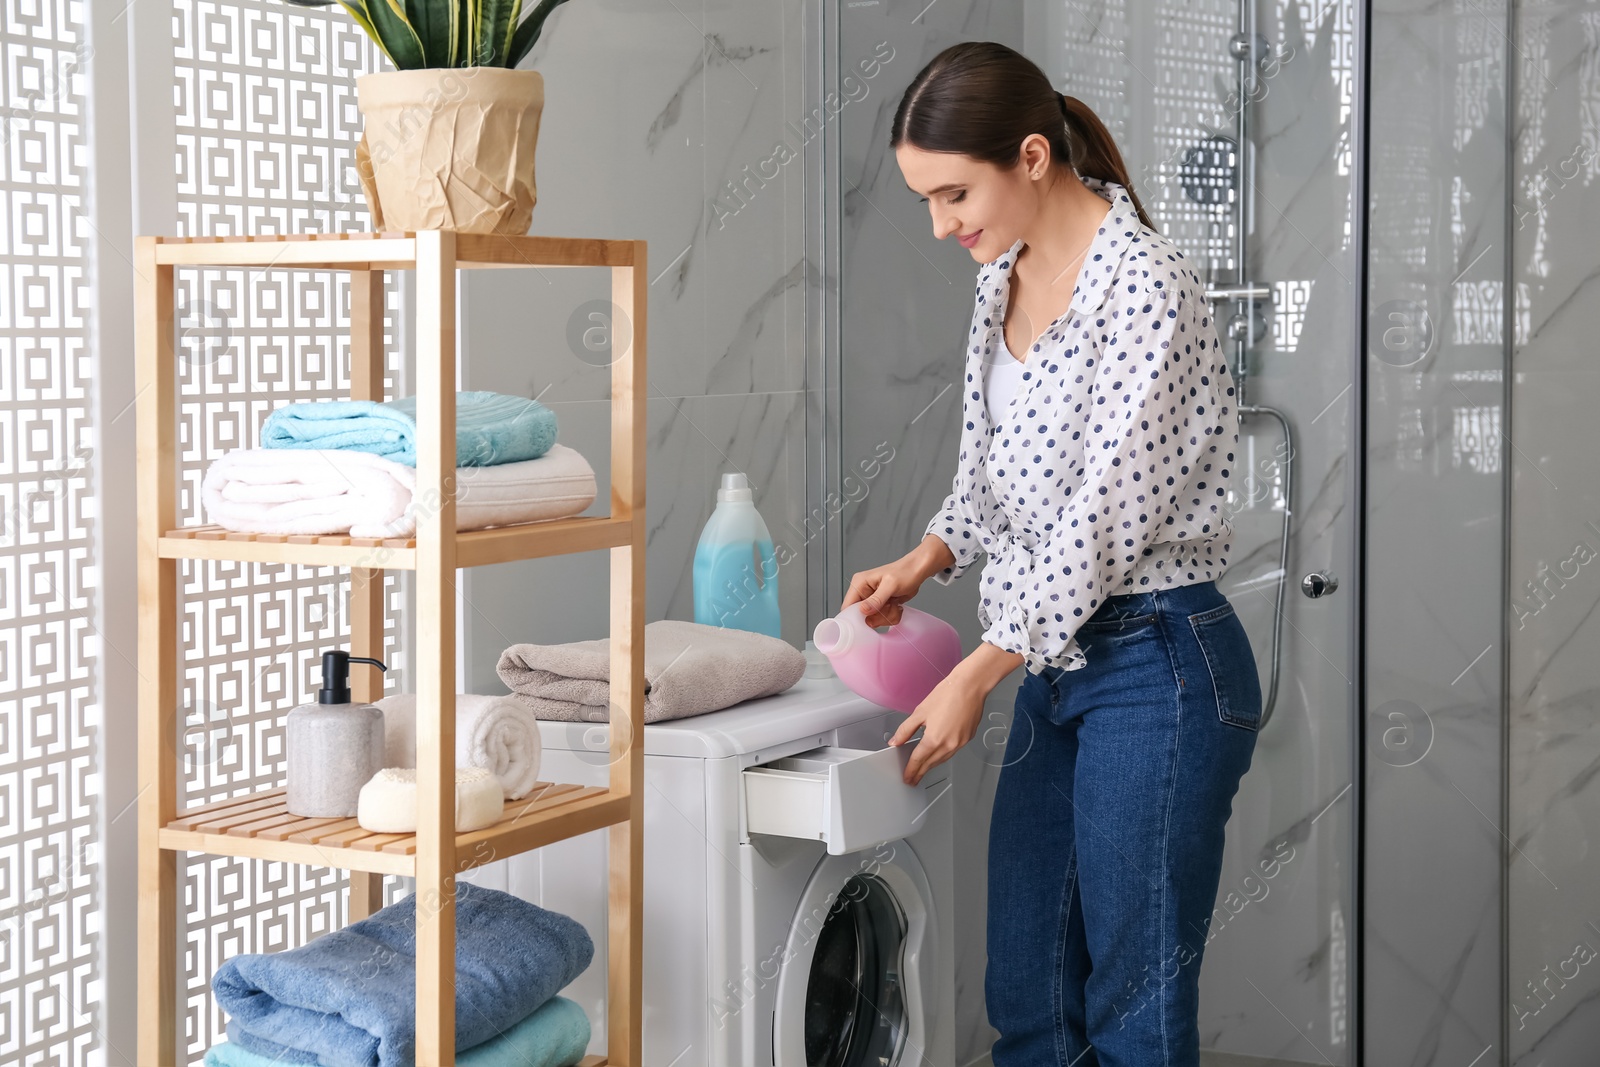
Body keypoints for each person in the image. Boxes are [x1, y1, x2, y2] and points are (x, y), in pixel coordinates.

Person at [839, 41, 1264, 1067]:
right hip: (1054, 657)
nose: (942, 226)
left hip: (1158, 662)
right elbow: (992, 469)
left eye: (952, 194)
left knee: (1132, 1005)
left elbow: (1100, 521)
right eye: (927, 201)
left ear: (1031, 155)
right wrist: (926, 554)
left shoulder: (1146, 288)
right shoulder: (1004, 276)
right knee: (1027, 991)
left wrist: (979, 669)